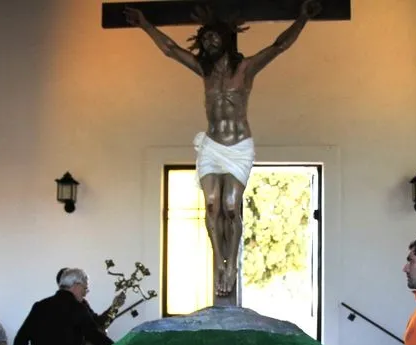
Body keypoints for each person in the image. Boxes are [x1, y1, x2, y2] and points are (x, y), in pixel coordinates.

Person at [125, 0, 321, 298]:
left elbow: (279, 46)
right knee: (212, 205)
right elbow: (170, 49)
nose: (209, 41)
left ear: (227, 38)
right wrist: (144, 25)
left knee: (231, 207)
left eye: (214, 36)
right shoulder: (204, 71)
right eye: (204, 39)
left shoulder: (245, 68)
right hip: (212, 145)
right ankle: (220, 261)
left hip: (239, 146)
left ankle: (233, 266)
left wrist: (302, 19)